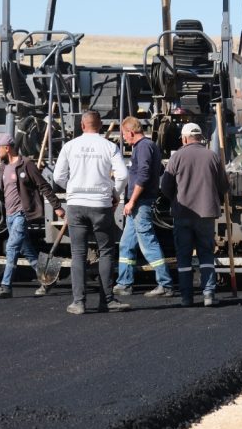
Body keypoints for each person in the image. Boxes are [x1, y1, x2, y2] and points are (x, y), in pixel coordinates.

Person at [53, 110, 130, 315]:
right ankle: (107, 300)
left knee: (78, 253)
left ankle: (78, 302)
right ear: (101, 125)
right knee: (106, 251)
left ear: (82, 125)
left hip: (76, 205)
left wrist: (72, 189)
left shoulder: (70, 146)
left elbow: (58, 176)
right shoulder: (109, 146)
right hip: (100, 205)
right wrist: (114, 194)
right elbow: (123, 175)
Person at [0, 133, 65, 299]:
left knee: (11, 247)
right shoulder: (4, 166)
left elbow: (43, 186)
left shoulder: (26, 164)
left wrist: (57, 207)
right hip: (9, 214)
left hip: (22, 214)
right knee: (25, 249)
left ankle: (6, 286)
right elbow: (4, 190)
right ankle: (47, 279)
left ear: (7, 148)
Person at [159, 122, 228, 307]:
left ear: (184, 138)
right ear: (200, 137)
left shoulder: (177, 157)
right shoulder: (212, 156)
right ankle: (209, 294)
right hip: (206, 214)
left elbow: (165, 186)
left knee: (184, 256)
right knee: (206, 254)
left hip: (182, 214)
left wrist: (176, 199)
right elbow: (224, 186)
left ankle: (187, 297)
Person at [115, 117, 175, 297]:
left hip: (140, 203)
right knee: (126, 244)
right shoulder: (147, 146)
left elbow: (143, 174)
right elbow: (157, 171)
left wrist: (132, 200)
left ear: (131, 132)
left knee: (148, 242)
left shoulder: (143, 147)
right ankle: (124, 283)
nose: (124, 138)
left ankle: (165, 284)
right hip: (139, 204)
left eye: (124, 134)